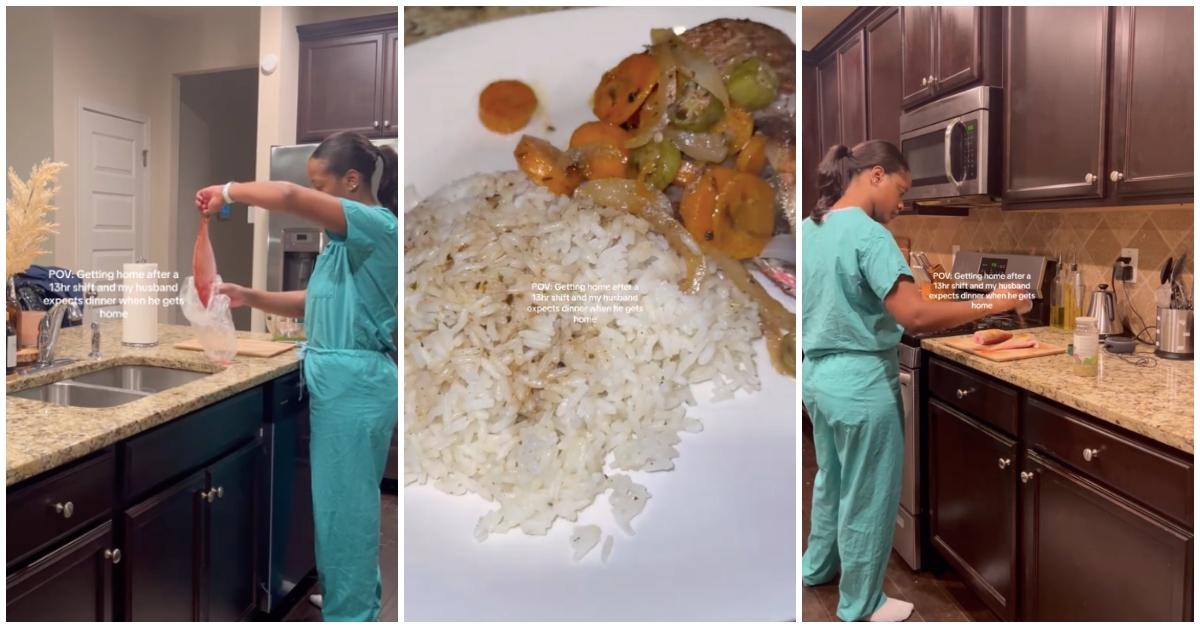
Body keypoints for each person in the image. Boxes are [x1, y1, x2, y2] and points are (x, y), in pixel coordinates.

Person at [800, 141, 1029, 622]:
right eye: (901, 191)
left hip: (818, 377)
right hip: (861, 382)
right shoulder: (870, 234)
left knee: (833, 478)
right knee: (868, 493)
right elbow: (916, 315)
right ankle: (861, 605)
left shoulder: (809, 229)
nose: (901, 205)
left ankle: (818, 567)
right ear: (876, 176)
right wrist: (996, 302)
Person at [193, 131, 398, 621]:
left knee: (345, 512)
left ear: (352, 181)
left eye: (320, 184)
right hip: (339, 378)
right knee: (337, 504)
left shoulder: (376, 223)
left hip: (356, 382)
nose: (313, 194)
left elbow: (286, 196)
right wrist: (251, 296)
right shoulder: (343, 243)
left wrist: (228, 191)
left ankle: (352, 614)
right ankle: (350, 593)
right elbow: (316, 300)